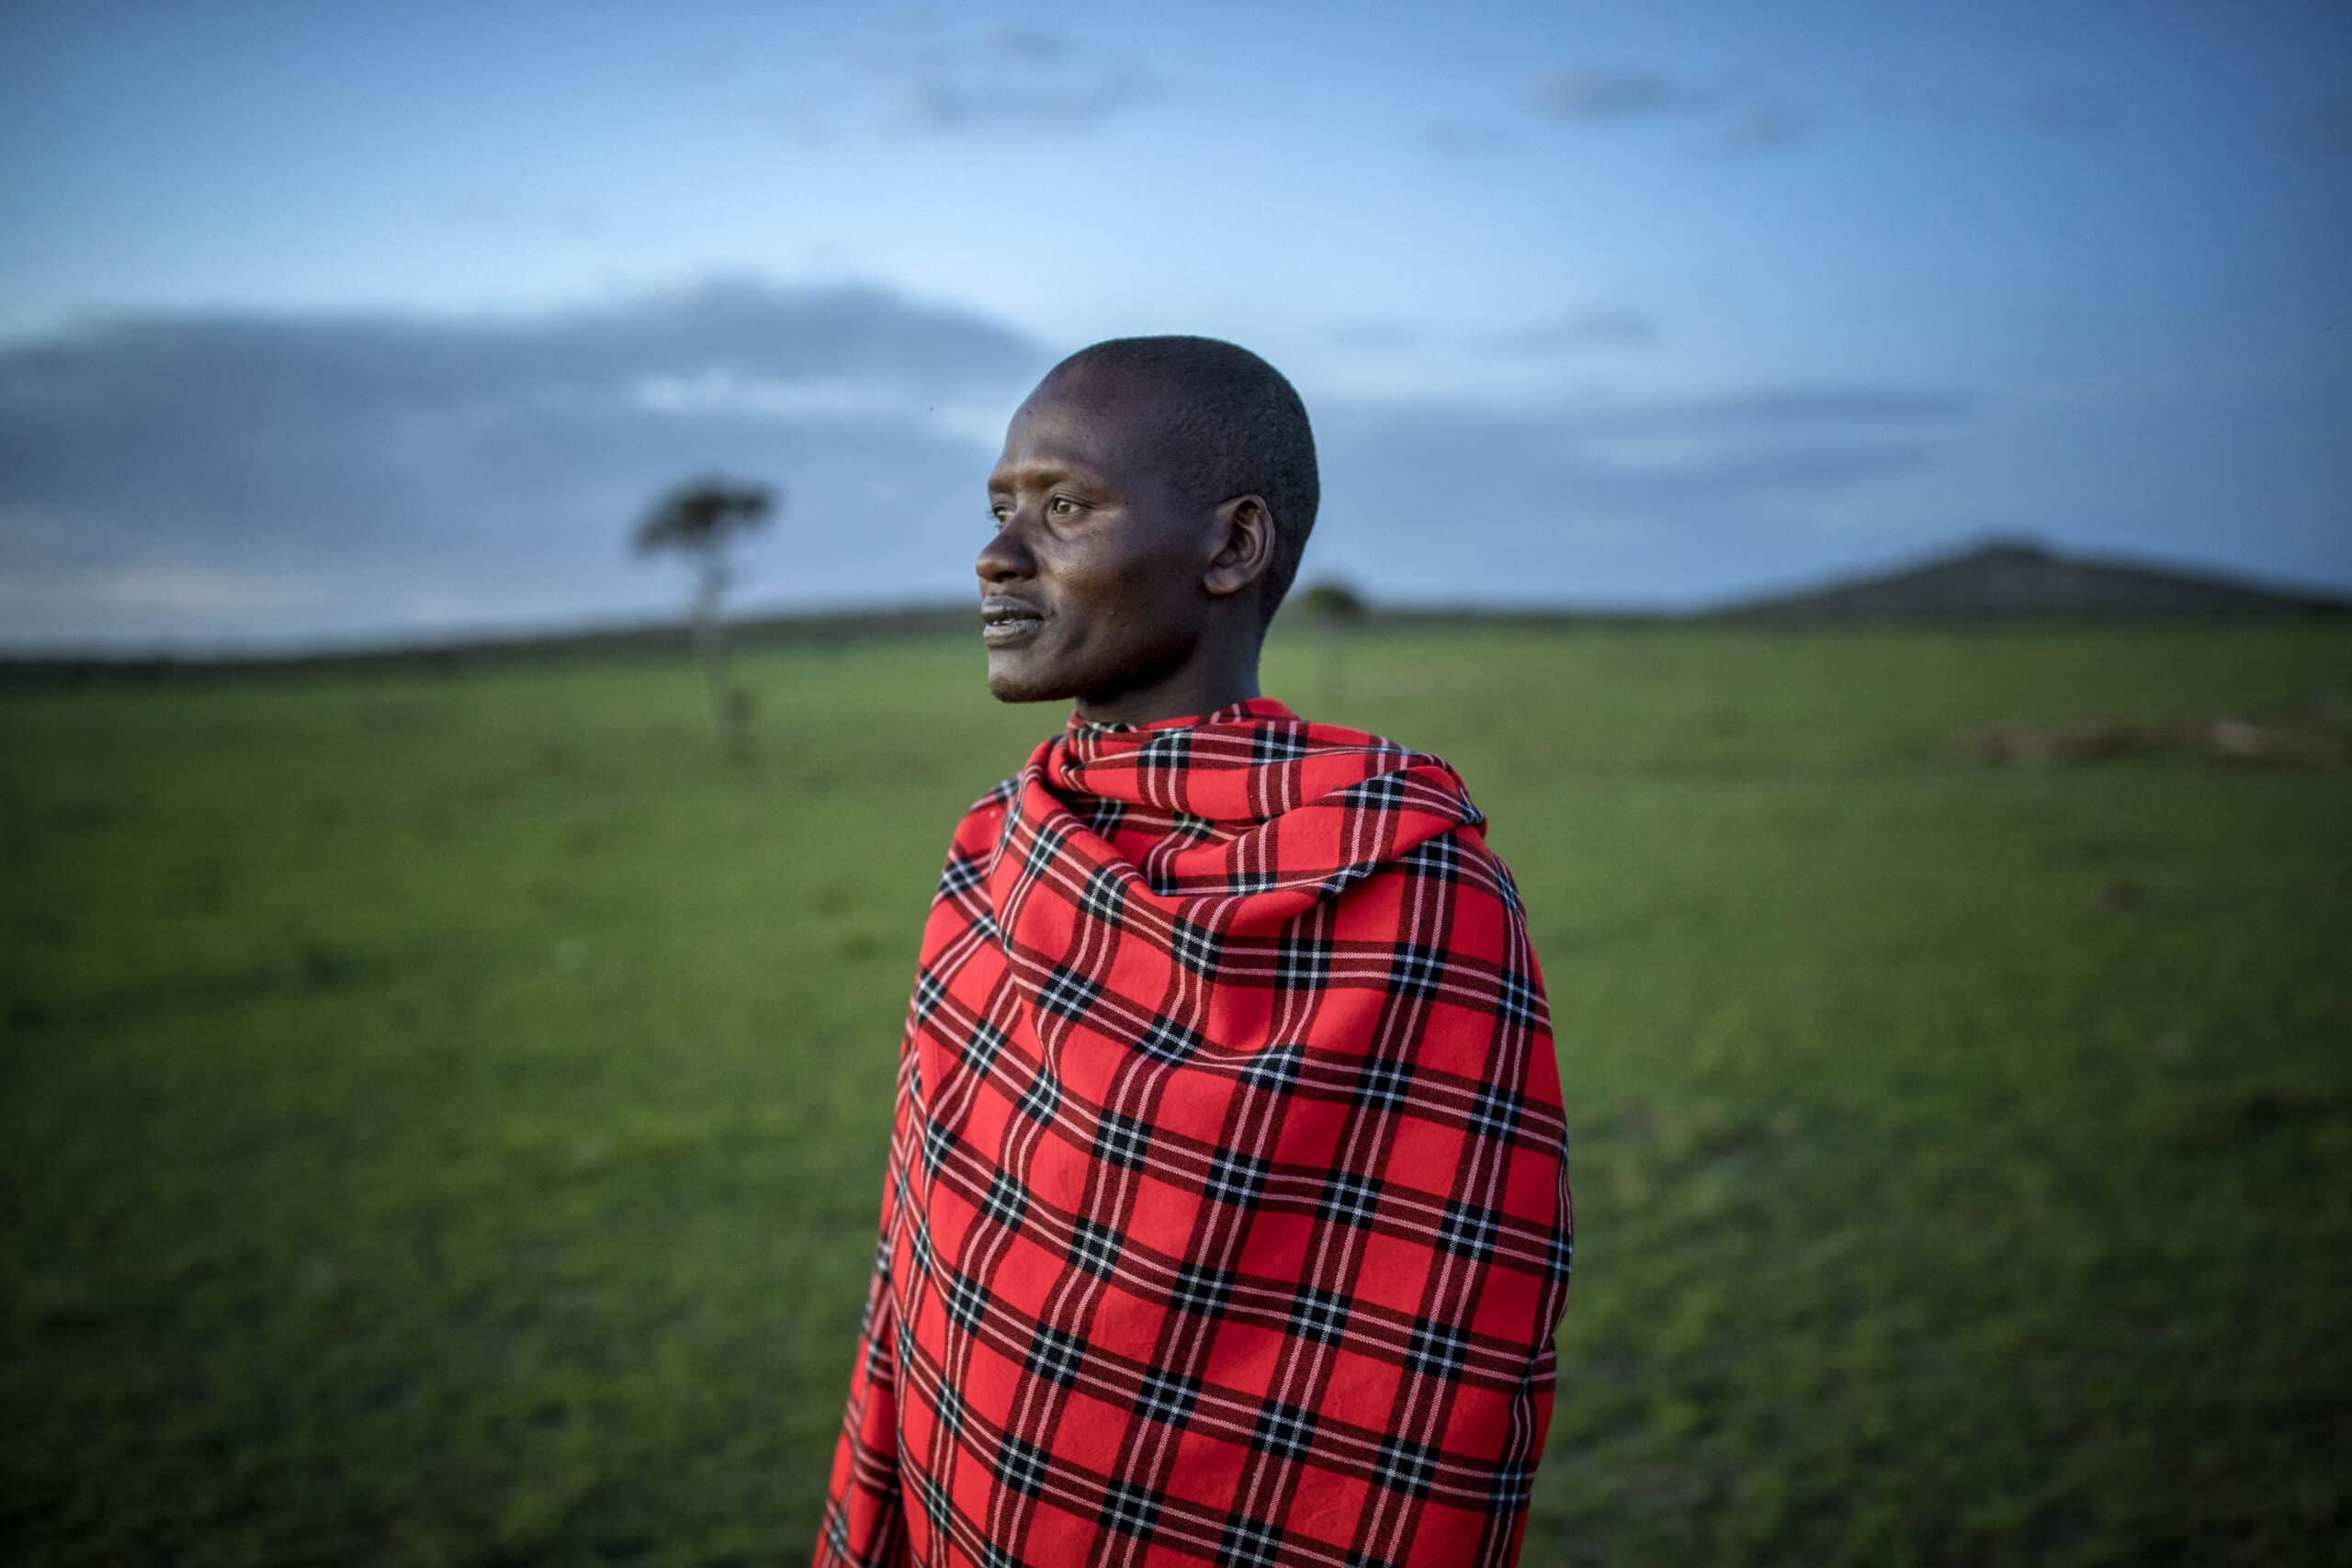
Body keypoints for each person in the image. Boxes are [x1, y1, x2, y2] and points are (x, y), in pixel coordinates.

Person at [815, 337, 1573, 1568]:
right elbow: (926, 1273)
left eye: (1067, 507)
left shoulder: (1414, 883)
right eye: (1002, 508)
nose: (997, 556)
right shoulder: (998, 853)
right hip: (975, 1494)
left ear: (1232, 548)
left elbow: (1445, 1339)